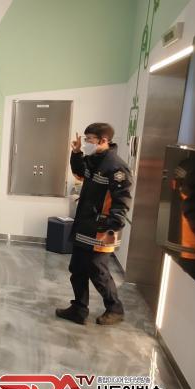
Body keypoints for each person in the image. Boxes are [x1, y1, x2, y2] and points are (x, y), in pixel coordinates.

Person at [56, 123, 132, 326]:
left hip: (101, 228)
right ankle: (79, 309)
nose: (87, 142)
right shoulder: (93, 160)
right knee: (77, 268)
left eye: (90, 139)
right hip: (85, 224)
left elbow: (122, 200)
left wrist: (112, 225)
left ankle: (115, 309)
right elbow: (80, 172)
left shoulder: (116, 167)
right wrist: (76, 152)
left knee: (98, 270)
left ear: (103, 140)